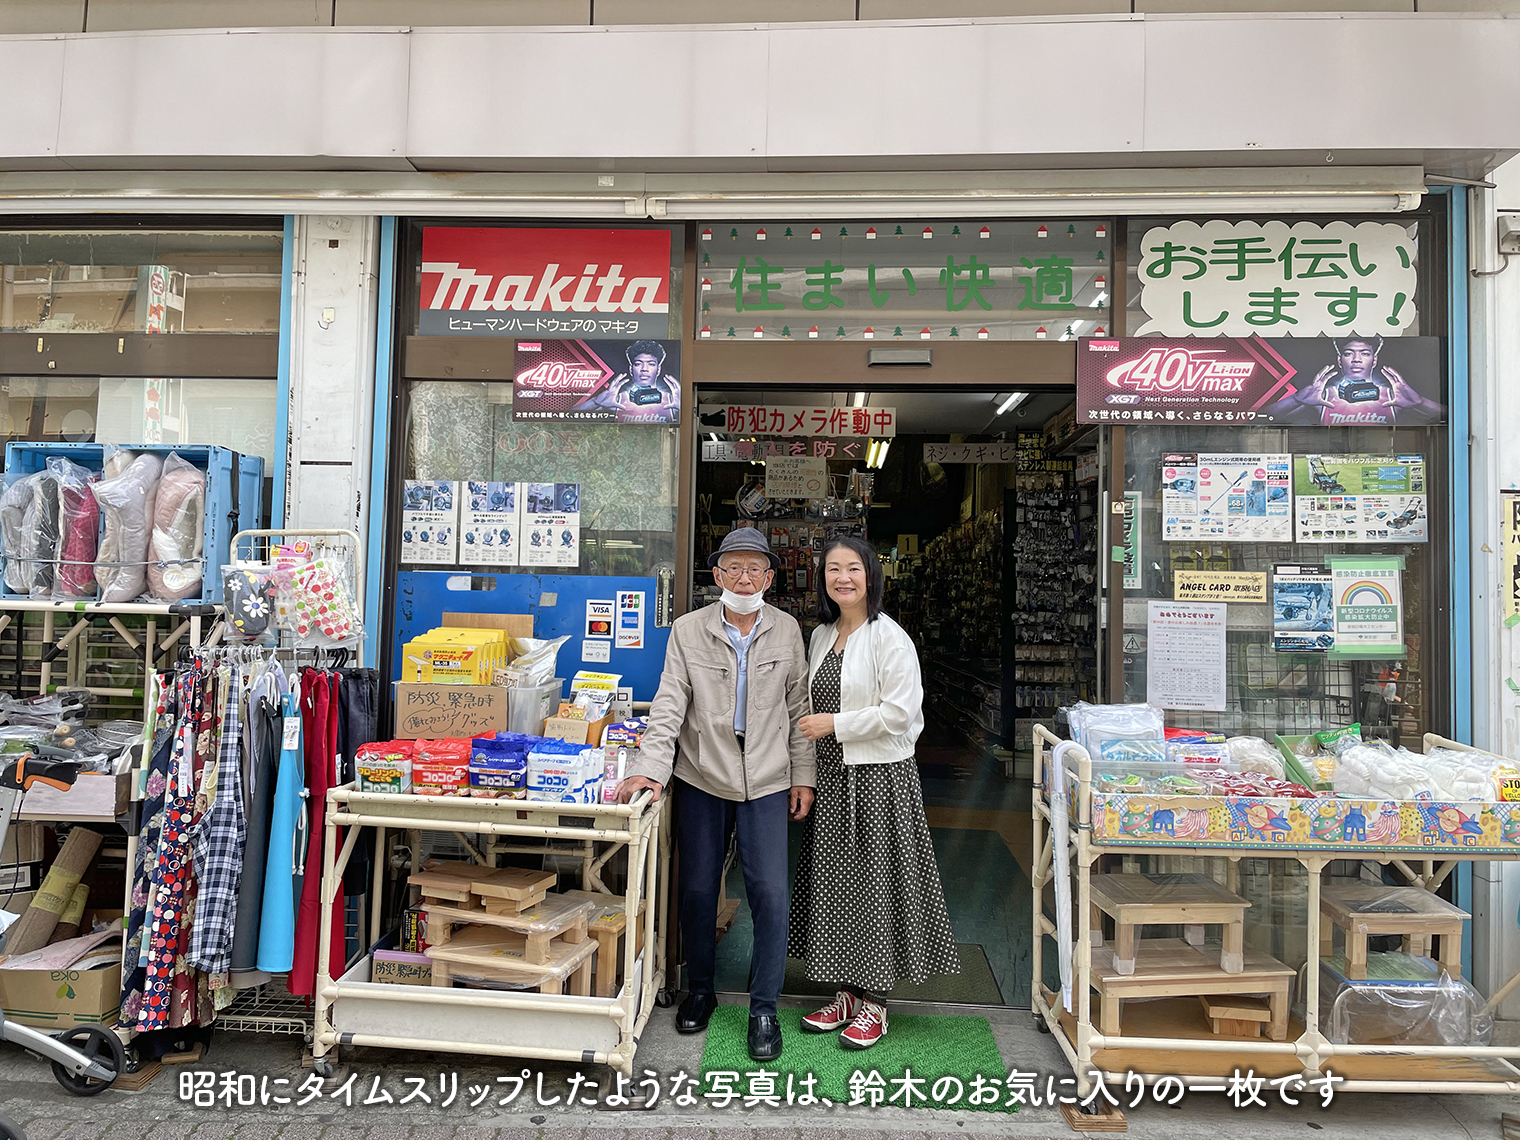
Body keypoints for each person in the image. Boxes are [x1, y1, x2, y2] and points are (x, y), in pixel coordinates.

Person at [619, 527, 814, 1060]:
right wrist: (651, 771)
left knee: (770, 892)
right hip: (703, 773)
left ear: (771, 579)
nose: (744, 577)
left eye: (755, 569)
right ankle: (700, 989)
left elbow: (799, 711)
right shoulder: (688, 630)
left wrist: (804, 775)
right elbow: (668, 706)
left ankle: (764, 1006)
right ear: (718, 575)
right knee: (700, 888)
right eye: (734, 567)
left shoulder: (787, 630)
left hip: (769, 776)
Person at [790, 536, 959, 1049]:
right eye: (833, 569)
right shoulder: (821, 635)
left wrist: (834, 725)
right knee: (836, 885)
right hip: (835, 779)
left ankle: (876, 1004)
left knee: (876, 889)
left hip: (881, 779)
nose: (843, 578)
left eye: (854, 569)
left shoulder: (890, 637)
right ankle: (844, 995)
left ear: (871, 577)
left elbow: (900, 714)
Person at [1267, 336, 1442, 426]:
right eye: (1349, 353)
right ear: (1339, 360)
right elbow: (1265, 416)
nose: (1356, 359)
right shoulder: (1322, 396)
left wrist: (1419, 402)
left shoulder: (1393, 397)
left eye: (1365, 353)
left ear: (1374, 360)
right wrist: (1296, 398)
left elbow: (1447, 416)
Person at [579, 340, 680, 422]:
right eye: (638, 364)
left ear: (658, 369)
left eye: (651, 364)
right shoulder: (616, 401)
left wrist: (683, 406)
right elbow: (567, 414)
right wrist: (595, 402)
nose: (644, 369)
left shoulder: (672, 402)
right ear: (631, 369)